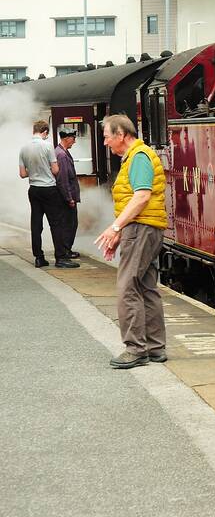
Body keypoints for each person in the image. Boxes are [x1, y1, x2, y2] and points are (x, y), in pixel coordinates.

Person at [94, 115, 167, 369]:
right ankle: (155, 347)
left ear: (122, 135)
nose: (105, 142)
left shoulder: (139, 157)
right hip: (144, 227)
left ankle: (135, 349)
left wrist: (116, 228)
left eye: (107, 137)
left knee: (127, 286)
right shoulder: (137, 156)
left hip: (141, 228)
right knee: (146, 286)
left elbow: (141, 196)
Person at [18, 120, 78, 269]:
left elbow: (23, 174)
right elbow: (56, 170)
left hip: (33, 189)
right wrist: (45, 170)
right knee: (56, 224)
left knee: (36, 224)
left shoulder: (23, 148)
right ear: (45, 132)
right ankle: (60, 258)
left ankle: (39, 258)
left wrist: (35, 171)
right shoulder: (47, 146)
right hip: (49, 189)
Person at [55, 127, 80, 259]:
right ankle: (65, 250)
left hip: (64, 196)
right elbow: (63, 179)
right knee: (69, 224)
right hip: (65, 197)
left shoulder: (61, 152)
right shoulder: (62, 155)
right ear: (66, 138)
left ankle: (66, 249)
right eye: (73, 138)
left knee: (69, 223)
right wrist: (69, 198)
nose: (74, 141)